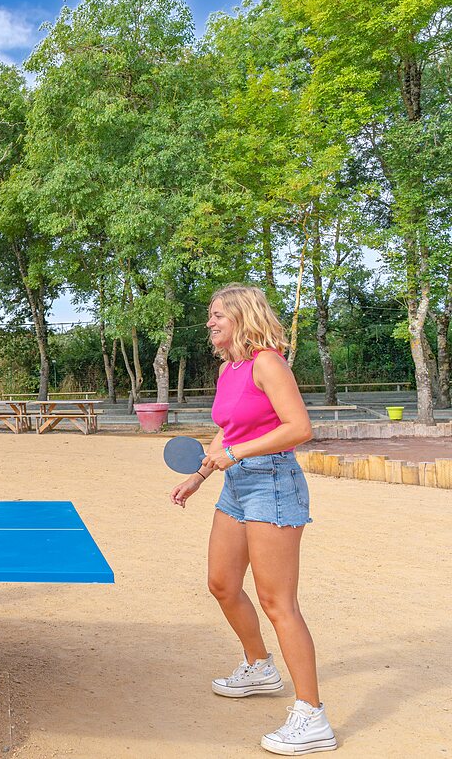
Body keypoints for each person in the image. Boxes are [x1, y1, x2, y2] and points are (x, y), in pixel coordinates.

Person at [169, 284, 335, 755]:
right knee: (222, 584)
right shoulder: (229, 369)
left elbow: (299, 428)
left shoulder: (268, 363)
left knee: (278, 602)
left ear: (242, 317)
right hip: (237, 484)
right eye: (210, 315)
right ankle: (260, 667)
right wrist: (200, 475)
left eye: (218, 315)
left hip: (274, 483)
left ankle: (312, 715)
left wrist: (236, 453)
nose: (210, 322)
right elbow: (228, 431)